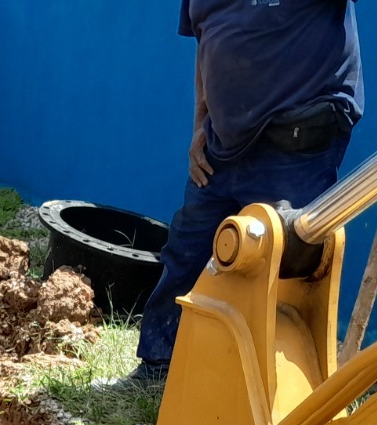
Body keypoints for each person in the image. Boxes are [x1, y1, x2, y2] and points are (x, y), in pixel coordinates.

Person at [101, 0, 362, 396]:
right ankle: (159, 367)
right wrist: (199, 126)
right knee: (188, 249)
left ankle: (273, 397)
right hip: (224, 143)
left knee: (281, 268)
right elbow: (207, 44)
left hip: (296, 143)